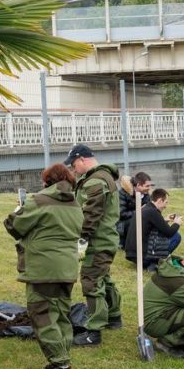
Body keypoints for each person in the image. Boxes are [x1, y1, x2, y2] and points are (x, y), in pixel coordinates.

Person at [4, 164, 83, 369]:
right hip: (67, 268)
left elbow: (14, 226)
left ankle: (60, 364)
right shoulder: (75, 203)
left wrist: (19, 209)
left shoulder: (38, 200)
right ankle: (63, 357)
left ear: (47, 181)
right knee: (61, 314)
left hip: (43, 268)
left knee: (42, 314)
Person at [65, 144, 122, 346]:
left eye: (73, 165)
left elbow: (91, 214)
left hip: (97, 241)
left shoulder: (95, 181)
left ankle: (94, 331)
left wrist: (81, 239)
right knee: (103, 277)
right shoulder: (102, 176)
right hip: (105, 238)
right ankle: (114, 316)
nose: (73, 170)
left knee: (91, 281)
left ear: (82, 159)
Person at [124, 188, 182, 270]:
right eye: (166, 202)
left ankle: (153, 261)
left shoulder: (145, 208)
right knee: (176, 236)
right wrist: (177, 223)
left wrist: (164, 220)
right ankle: (155, 262)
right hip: (143, 257)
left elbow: (151, 227)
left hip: (132, 254)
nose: (166, 206)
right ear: (160, 201)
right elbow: (169, 232)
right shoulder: (153, 212)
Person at [117, 171, 151, 243]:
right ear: (138, 185)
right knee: (136, 222)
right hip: (124, 225)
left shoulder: (146, 195)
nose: (149, 188)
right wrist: (137, 211)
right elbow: (121, 213)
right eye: (147, 186)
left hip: (140, 223)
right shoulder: (122, 193)